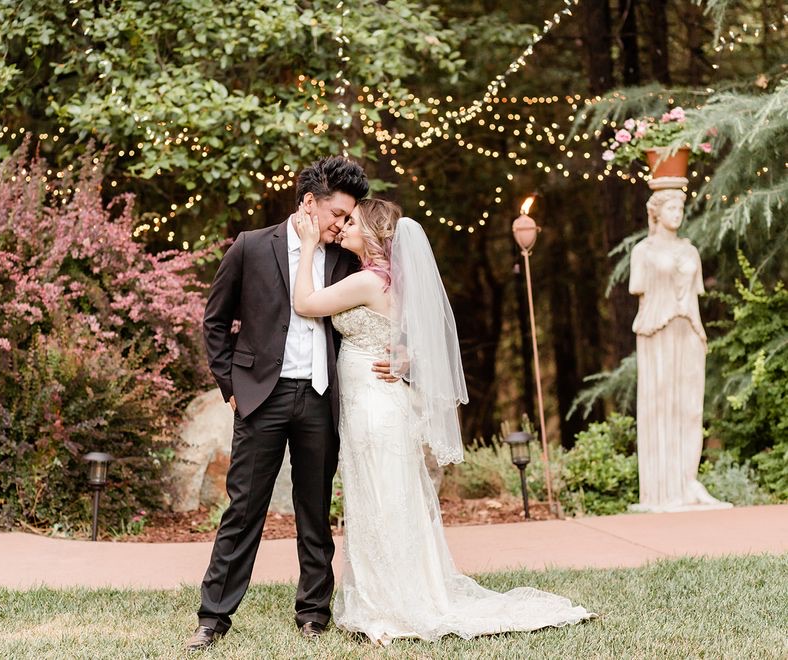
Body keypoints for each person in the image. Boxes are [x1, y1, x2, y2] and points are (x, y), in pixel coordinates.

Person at [293, 198, 594, 645]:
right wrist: (406, 355)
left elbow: (304, 303)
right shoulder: (393, 282)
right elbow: (422, 336)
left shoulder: (366, 280)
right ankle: (395, 591)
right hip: (375, 402)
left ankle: (390, 602)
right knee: (386, 495)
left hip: (375, 406)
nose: (345, 227)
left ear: (374, 235)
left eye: (352, 222)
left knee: (381, 496)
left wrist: (307, 242)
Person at [187, 156, 397, 652]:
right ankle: (213, 618)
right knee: (244, 510)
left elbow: (390, 304)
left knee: (314, 511)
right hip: (261, 397)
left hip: (321, 399)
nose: (343, 225)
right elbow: (215, 323)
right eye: (338, 214)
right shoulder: (251, 246)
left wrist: (401, 354)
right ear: (309, 203)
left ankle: (313, 614)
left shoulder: (347, 257)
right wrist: (232, 387)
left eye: (349, 218)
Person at [629, 188, 726, 511]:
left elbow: (695, 295)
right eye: (671, 207)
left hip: (689, 330)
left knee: (690, 408)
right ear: (656, 212)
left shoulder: (690, 251)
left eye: (680, 207)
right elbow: (638, 288)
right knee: (661, 404)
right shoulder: (643, 251)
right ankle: (662, 488)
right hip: (657, 329)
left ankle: (688, 481)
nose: (677, 213)